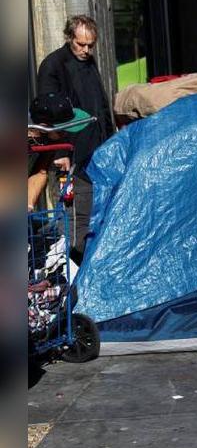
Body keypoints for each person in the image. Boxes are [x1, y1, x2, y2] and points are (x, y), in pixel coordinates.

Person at [36, 15, 115, 263]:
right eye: (81, 44)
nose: (86, 50)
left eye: (90, 45)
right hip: (72, 152)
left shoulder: (89, 62)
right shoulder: (54, 65)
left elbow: (99, 104)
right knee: (77, 215)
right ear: (69, 37)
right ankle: (76, 267)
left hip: (97, 148)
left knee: (97, 209)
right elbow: (48, 114)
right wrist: (60, 154)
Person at [27, 94, 93, 212]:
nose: (66, 135)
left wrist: (28, 206)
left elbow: (40, 173)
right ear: (43, 127)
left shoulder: (48, 140)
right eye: (62, 131)